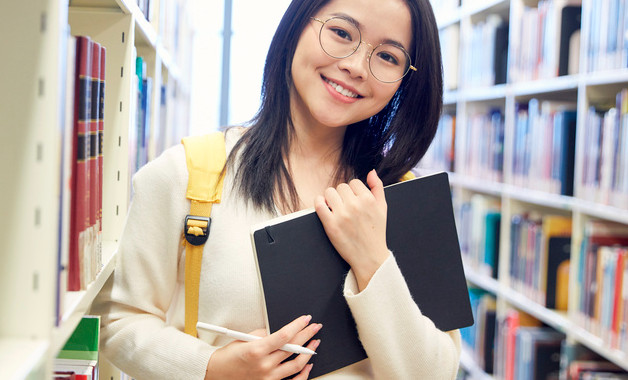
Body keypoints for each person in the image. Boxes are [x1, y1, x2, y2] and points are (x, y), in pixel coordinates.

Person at [92, 0, 461, 378]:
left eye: (387, 56)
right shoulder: (188, 174)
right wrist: (212, 368)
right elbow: (120, 323)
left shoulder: (407, 199)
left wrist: (372, 260)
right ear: (298, 25)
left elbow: (436, 373)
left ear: (405, 79)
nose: (355, 66)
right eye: (341, 33)